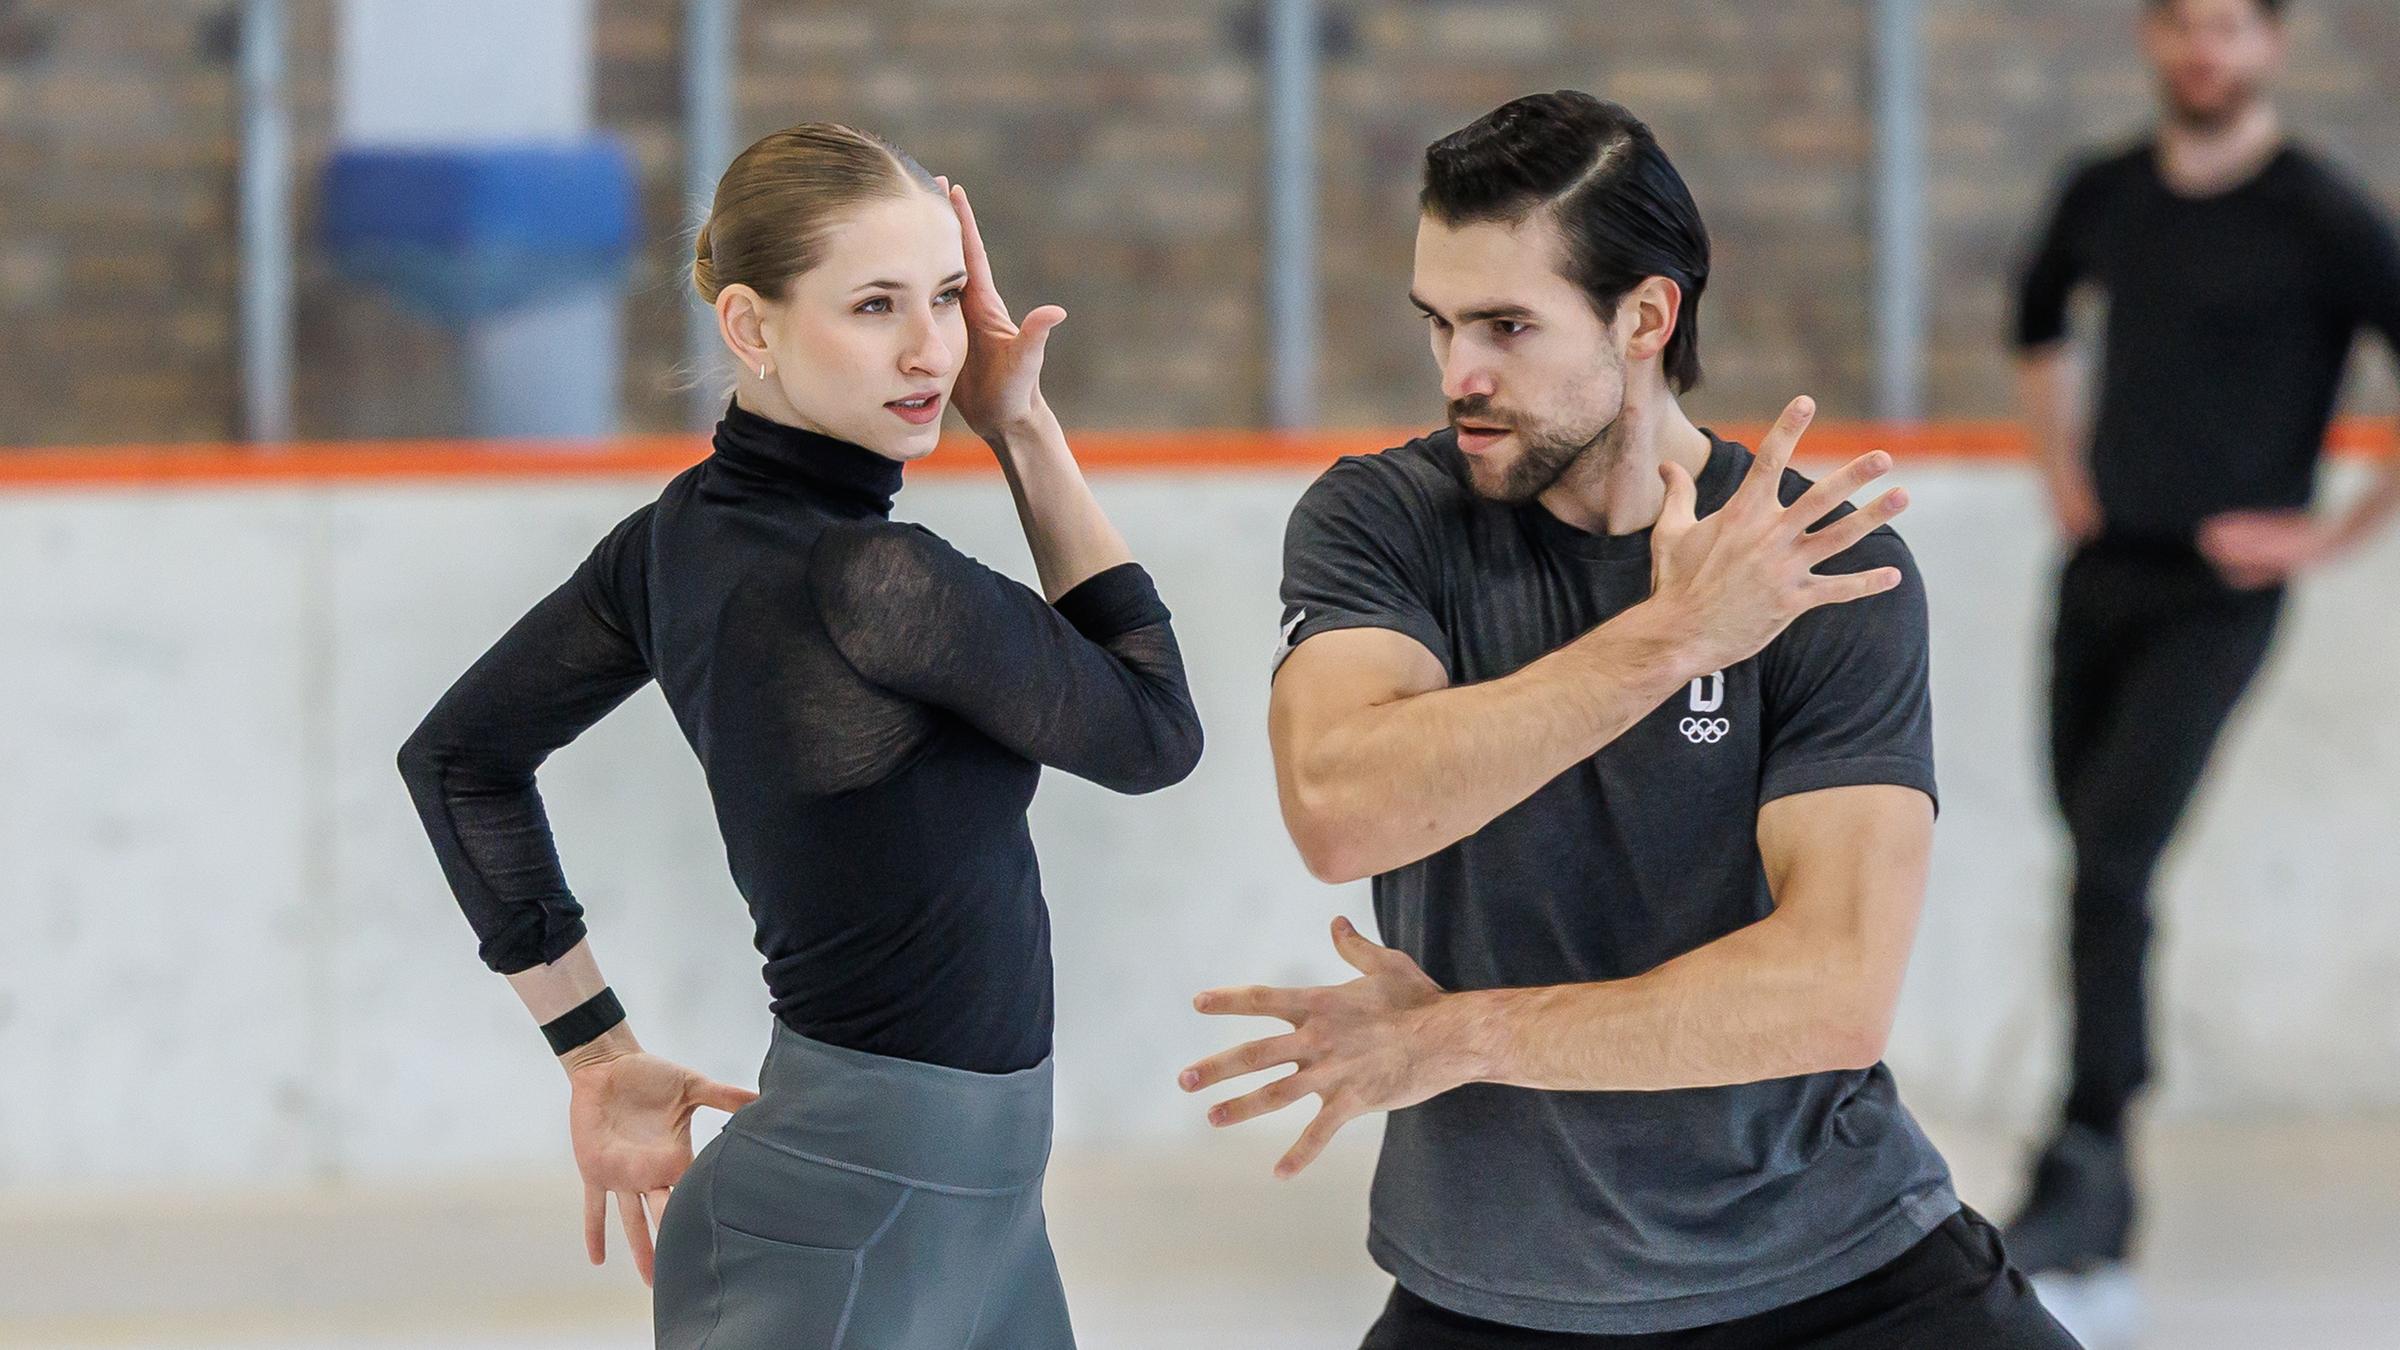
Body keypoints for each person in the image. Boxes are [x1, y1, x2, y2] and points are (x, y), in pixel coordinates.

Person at [1180, 92, 2079, 1348]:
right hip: (1492, 1295)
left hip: (1837, 1265)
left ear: (1646, 317)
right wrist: (1668, 643)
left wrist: (1458, 1037)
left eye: (1507, 326)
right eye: (1438, 324)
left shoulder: (1814, 567)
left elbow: (1830, 991)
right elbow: (1341, 809)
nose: (1458, 375)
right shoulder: (1381, 521)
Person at [397, 123, 1201, 1350]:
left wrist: (595, 1053)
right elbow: (1154, 729)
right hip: (855, 1215)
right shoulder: (880, 578)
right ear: (750, 327)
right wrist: (1024, 431)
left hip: (960, 1213)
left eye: (944, 297)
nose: (933, 349)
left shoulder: (673, 541)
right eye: (875, 305)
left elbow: (460, 764)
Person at [2006, 0, 2400, 1280]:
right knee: (2090, 854)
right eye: (2182, 25)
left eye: (2230, 28)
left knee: (2114, 862)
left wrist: (2329, 538)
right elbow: (2038, 317)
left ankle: (2090, 1152)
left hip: (2218, 595)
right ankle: (2097, 1145)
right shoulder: (2108, 189)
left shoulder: (2325, 216)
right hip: (2102, 571)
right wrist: (2062, 472)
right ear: (2151, 38)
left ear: (2272, 44)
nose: (2204, 52)